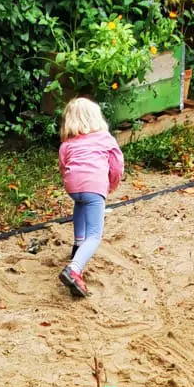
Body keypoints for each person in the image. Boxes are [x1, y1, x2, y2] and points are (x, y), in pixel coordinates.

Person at [57, 97, 124, 298]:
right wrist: (109, 186)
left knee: (80, 203)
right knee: (95, 235)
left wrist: (70, 181)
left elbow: (63, 166)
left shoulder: (67, 144)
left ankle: (78, 245)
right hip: (94, 185)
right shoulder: (105, 138)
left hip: (73, 185)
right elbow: (117, 166)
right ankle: (74, 268)